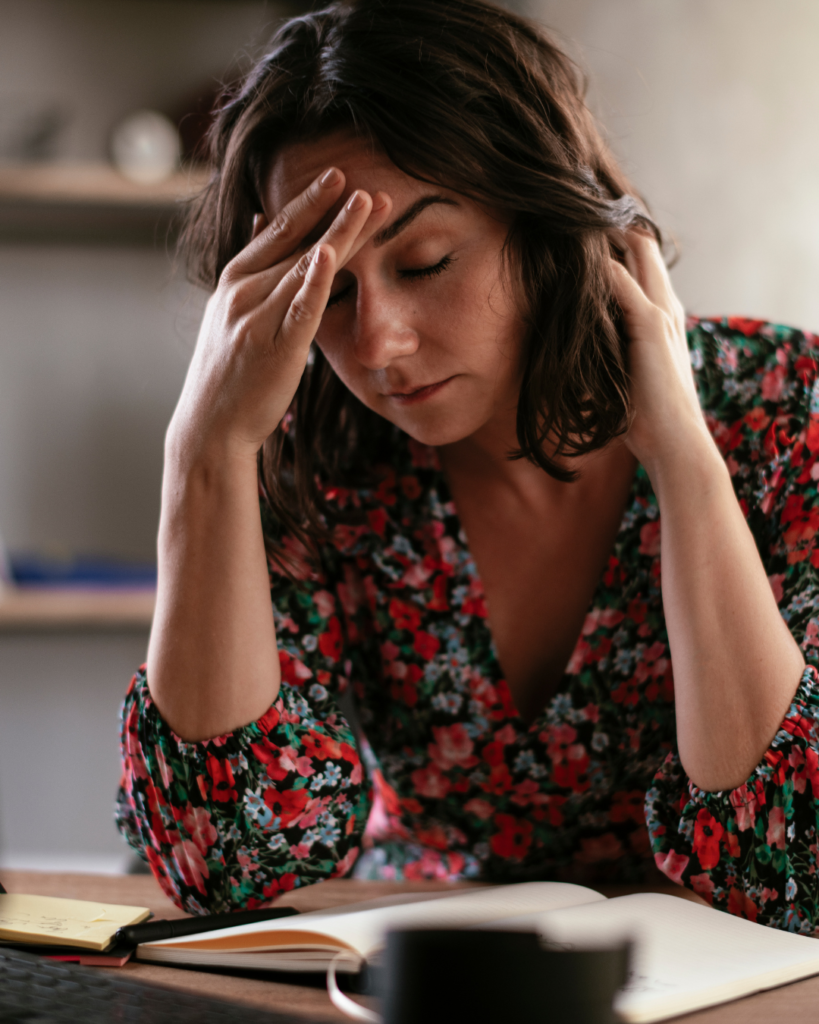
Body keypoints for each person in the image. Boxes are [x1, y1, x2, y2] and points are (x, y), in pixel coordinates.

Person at [116, 0, 819, 931]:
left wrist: (683, 460)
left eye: (426, 261)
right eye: (327, 290)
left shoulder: (785, 406)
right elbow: (227, 865)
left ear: (548, 226)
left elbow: (794, 862)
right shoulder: (312, 461)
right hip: (411, 967)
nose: (377, 345)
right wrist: (200, 452)